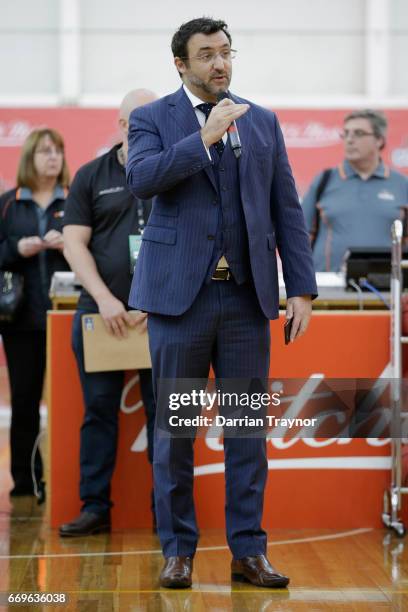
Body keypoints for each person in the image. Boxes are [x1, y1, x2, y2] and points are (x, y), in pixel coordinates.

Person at [126, 18, 317, 589]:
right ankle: (178, 550)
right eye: (206, 54)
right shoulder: (152, 118)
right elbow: (142, 178)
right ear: (180, 64)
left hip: (244, 301)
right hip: (179, 304)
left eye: (226, 53)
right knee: (176, 434)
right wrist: (203, 138)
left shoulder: (262, 120)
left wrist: (301, 288)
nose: (220, 64)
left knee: (245, 433)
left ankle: (248, 552)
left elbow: (287, 207)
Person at [60, 89, 157, 537]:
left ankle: (169, 514)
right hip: (104, 314)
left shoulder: (176, 170)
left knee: (169, 417)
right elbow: (74, 243)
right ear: (122, 125)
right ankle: (95, 507)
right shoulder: (91, 175)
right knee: (98, 411)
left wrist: (155, 302)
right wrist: (105, 298)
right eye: (138, 119)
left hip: (164, 315)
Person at [0, 128, 70, 501]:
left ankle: (69, 482)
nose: (53, 157)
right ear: (29, 157)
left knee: (75, 402)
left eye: (57, 150)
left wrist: (69, 245)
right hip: (21, 321)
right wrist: (16, 247)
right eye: (45, 151)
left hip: (68, 319)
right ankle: (26, 482)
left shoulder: (74, 200)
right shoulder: (8, 204)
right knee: (25, 401)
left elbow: (96, 251)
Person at [302, 109, 408, 272]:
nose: (349, 140)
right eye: (345, 133)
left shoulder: (402, 184)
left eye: (358, 133)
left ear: (379, 140)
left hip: (387, 288)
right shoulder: (324, 180)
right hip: (328, 288)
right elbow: (299, 236)